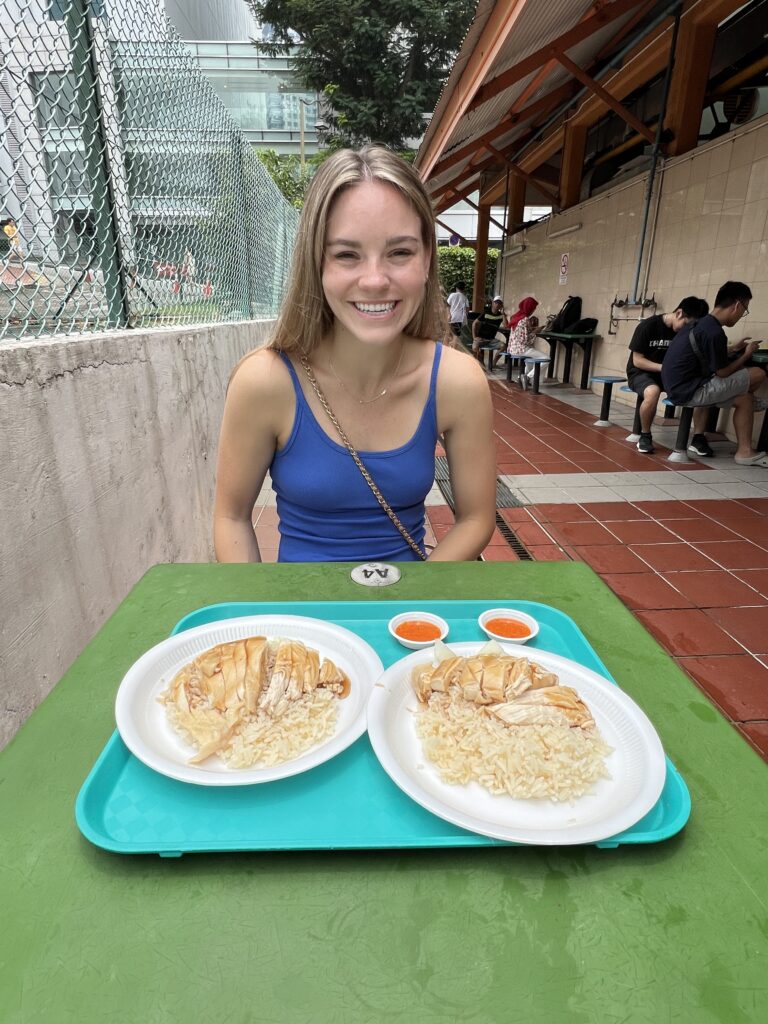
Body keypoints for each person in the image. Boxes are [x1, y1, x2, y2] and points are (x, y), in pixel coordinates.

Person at [214, 145, 496, 563]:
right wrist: (264, 619)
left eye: (400, 252)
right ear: (316, 263)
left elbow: (476, 519)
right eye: (347, 255)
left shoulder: (457, 381)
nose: (375, 280)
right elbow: (231, 517)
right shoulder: (265, 381)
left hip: (408, 621)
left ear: (426, 261)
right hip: (300, 622)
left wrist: (409, 606)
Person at [661, 280, 768, 465]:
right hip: (691, 391)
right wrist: (746, 354)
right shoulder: (715, 332)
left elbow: (704, 355)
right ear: (736, 305)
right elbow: (723, 372)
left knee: (745, 400)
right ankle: (757, 404)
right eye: (745, 310)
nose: (742, 315)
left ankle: (744, 452)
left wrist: (733, 349)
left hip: (678, 387)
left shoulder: (702, 324)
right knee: (758, 373)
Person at [627, 296, 709, 453]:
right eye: (686, 324)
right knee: (652, 391)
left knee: (703, 388)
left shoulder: (689, 333)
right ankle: (645, 435)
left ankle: (698, 438)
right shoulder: (648, 326)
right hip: (642, 373)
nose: (687, 329)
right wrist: (664, 368)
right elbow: (637, 361)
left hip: (671, 374)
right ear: (679, 313)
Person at [505, 296, 540, 383]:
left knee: (530, 359)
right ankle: (527, 377)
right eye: (533, 308)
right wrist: (536, 331)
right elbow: (525, 340)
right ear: (529, 308)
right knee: (546, 358)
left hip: (512, 348)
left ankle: (521, 378)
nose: (533, 311)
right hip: (520, 349)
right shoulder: (525, 319)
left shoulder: (517, 317)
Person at [471, 295, 506, 362]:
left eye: (499, 303)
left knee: (503, 346)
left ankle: (493, 364)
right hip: (481, 338)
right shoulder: (486, 312)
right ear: (492, 303)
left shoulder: (500, 315)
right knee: (475, 347)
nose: (497, 304)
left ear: (501, 305)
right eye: (496, 302)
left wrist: (503, 314)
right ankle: (480, 365)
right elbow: (474, 323)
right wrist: (474, 337)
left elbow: (506, 325)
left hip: (491, 340)